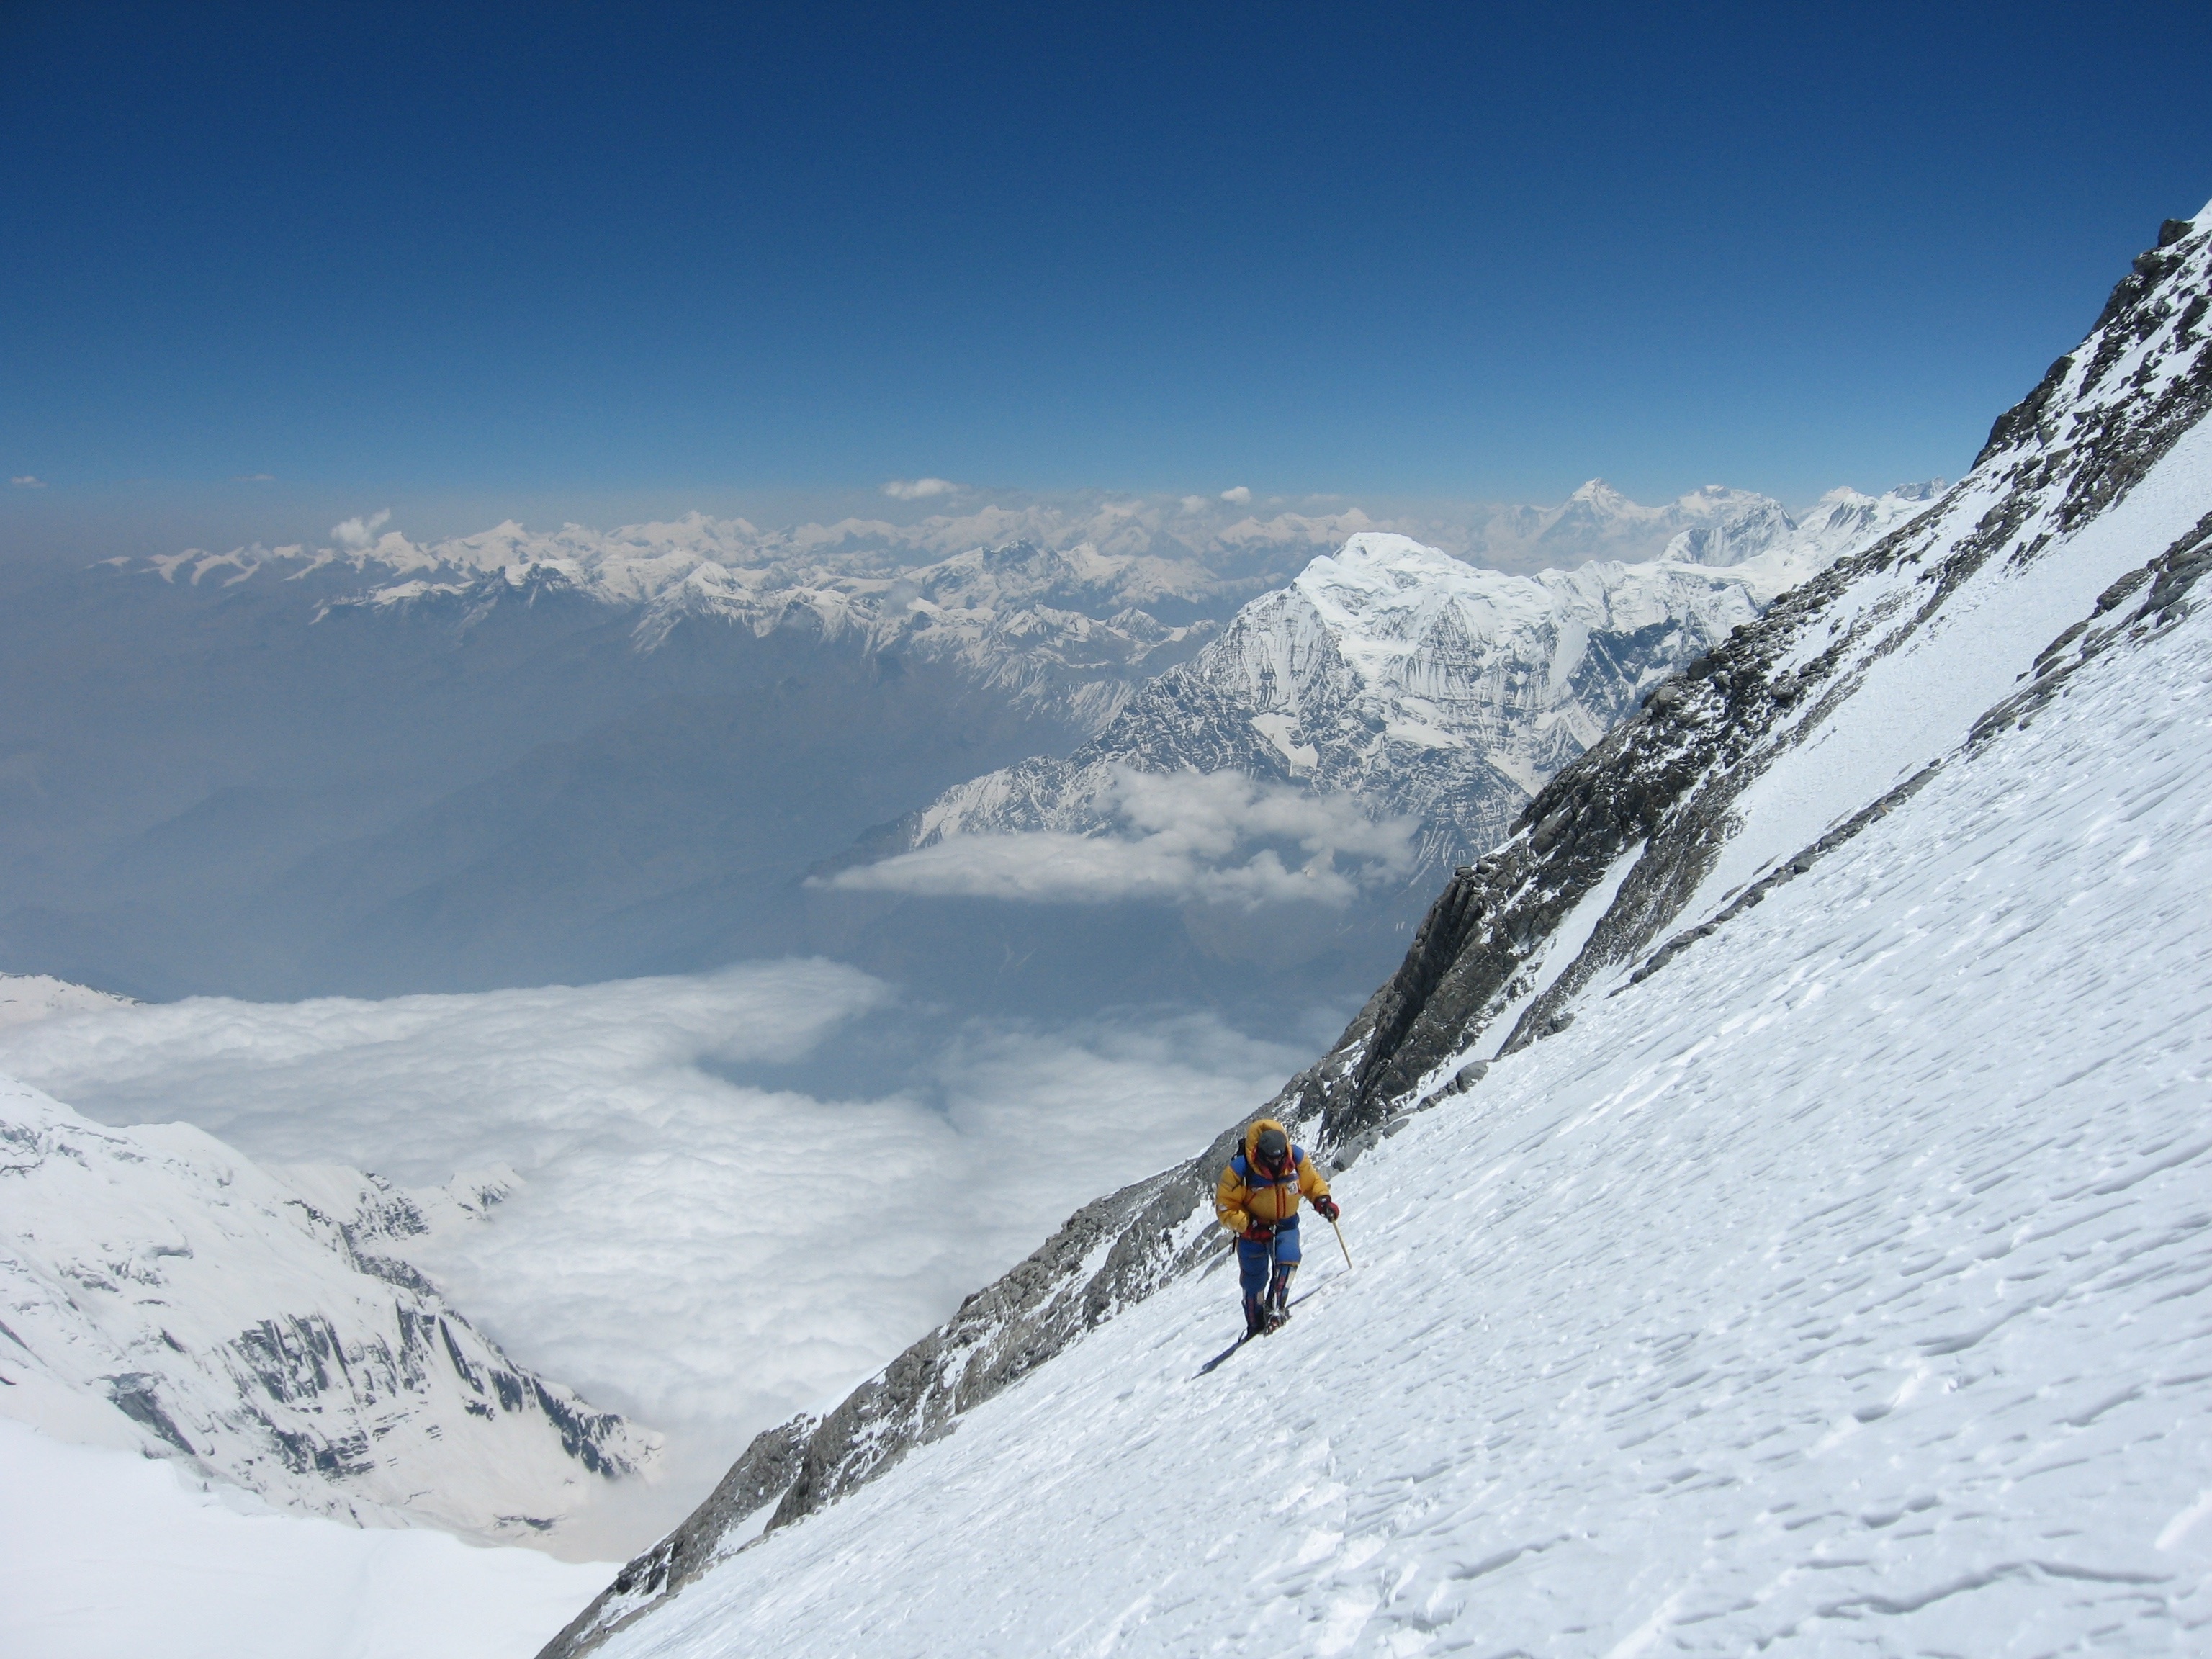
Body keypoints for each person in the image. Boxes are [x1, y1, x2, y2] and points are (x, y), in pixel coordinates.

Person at [1215, 1117, 1340, 1337]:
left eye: (1279, 1157)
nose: (1275, 1162)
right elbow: (1226, 1207)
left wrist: (1322, 1200)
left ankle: (1276, 1308)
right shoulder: (1240, 1171)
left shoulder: (1297, 1159)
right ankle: (1254, 1324)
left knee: (1289, 1257)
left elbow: (1312, 1183)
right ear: (1259, 1154)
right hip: (1253, 1231)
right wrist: (1249, 1227)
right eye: (1270, 1159)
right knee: (1253, 1281)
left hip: (1286, 1223)